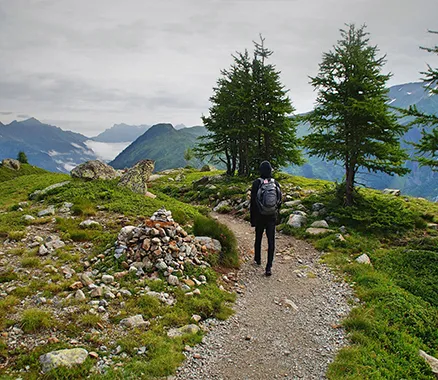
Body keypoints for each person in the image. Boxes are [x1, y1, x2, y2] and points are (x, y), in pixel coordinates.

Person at [250, 161, 282, 276]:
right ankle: (269, 267)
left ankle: (258, 259)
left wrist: (252, 219)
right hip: (271, 217)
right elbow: (279, 200)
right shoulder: (275, 183)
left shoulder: (257, 183)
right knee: (271, 241)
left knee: (258, 237)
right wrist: (275, 215)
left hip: (260, 216)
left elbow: (253, 203)